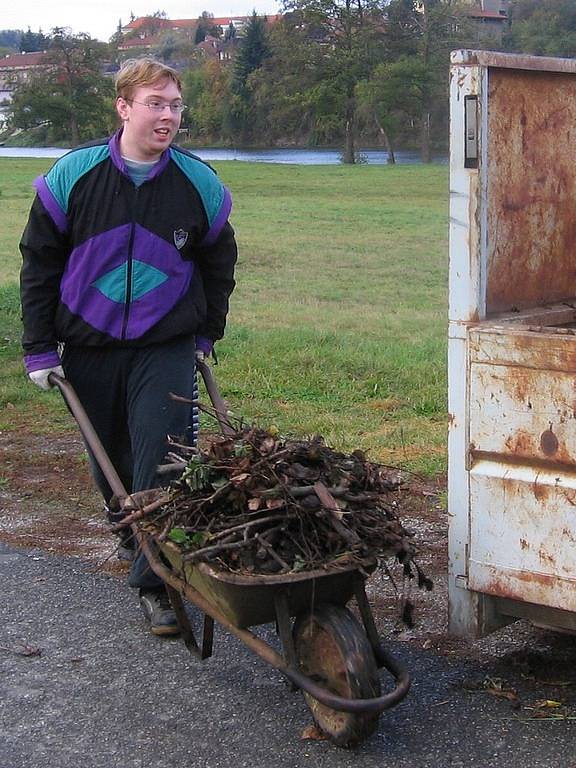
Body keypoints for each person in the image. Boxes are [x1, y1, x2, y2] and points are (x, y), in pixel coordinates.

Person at [19, 58, 238, 637]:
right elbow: (39, 265)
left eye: (175, 105)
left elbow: (220, 264)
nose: (168, 116)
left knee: (163, 457)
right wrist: (39, 348)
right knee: (111, 462)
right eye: (155, 104)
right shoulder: (73, 176)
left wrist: (205, 332)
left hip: (163, 346)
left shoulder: (199, 183)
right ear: (124, 108)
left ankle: (156, 584)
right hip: (86, 347)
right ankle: (132, 535)